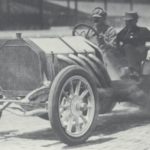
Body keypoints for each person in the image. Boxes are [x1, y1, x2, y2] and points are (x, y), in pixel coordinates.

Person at [117, 12, 150, 79]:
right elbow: (116, 43)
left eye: (130, 21)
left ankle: (134, 72)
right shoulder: (123, 32)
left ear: (136, 20)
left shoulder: (142, 31)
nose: (128, 23)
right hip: (125, 55)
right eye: (126, 21)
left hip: (139, 54)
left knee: (128, 47)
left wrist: (146, 47)